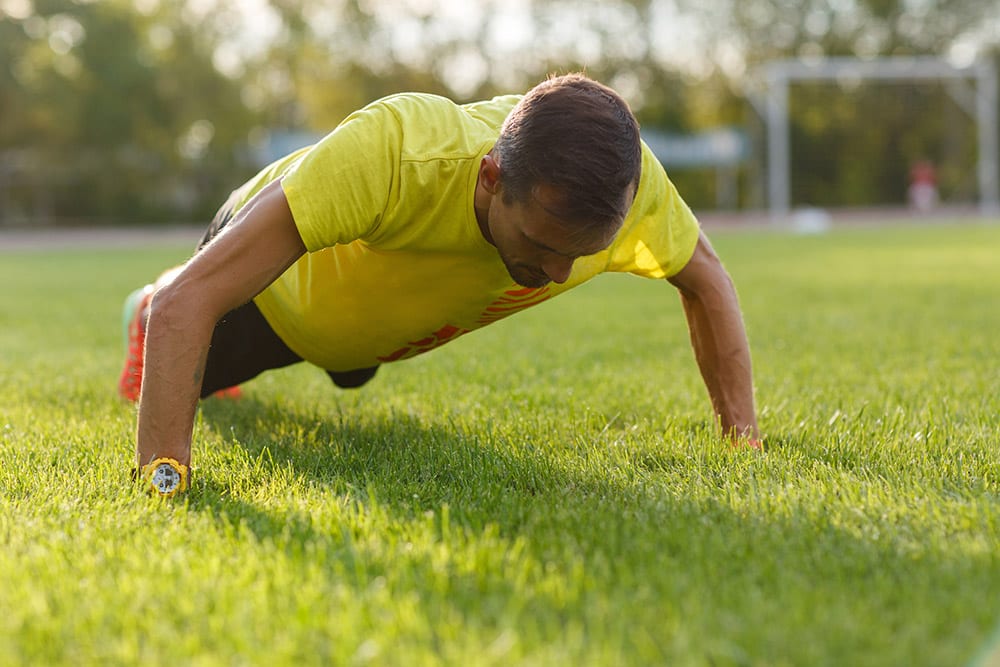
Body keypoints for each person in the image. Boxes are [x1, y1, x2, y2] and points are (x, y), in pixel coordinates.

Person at [120, 73, 761, 497]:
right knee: (187, 343)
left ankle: (352, 351)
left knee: (352, 366)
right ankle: (140, 305)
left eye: (584, 254)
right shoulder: (398, 151)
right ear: (488, 178)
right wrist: (163, 477)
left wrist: (743, 443)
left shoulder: (631, 187)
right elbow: (192, 304)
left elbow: (708, 282)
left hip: (371, 322)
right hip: (279, 295)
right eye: (542, 246)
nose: (560, 276)